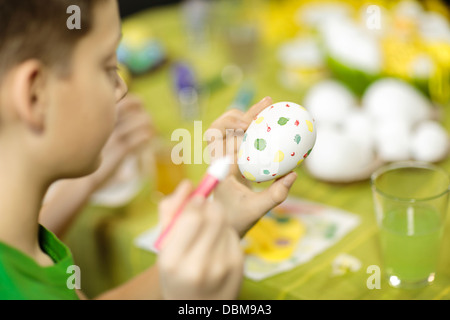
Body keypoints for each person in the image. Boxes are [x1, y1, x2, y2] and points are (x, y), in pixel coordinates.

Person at [0, 0, 297, 300]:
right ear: (35, 94)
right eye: (107, 67)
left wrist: (223, 221)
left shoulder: (22, 241)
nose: (121, 89)